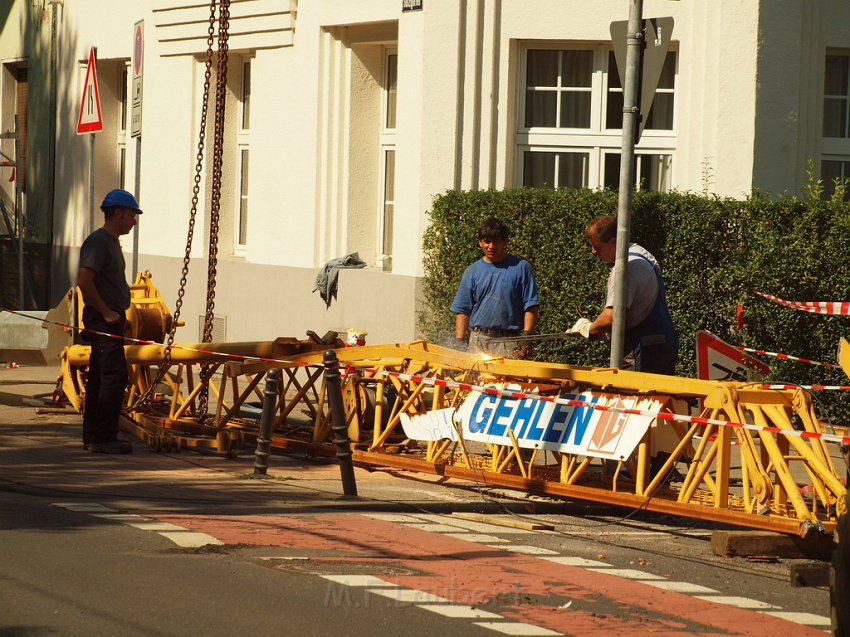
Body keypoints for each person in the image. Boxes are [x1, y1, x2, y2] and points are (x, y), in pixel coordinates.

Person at [76, 189, 142, 454]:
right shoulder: (99, 243)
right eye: (131, 216)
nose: (133, 222)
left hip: (111, 320)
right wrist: (105, 311)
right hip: (104, 322)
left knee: (101, 378)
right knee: (113, 377)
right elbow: (84, 281)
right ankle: (103, 438)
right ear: (118, 213)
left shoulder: (111, 243)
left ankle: (94, 437)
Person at [568, 214, 677, 375]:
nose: (593, 252)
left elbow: (611, 317)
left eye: (597, 246)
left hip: (640, 350)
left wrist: (588, 329)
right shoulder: (643, 254)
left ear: (613, 241)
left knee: (635, 399)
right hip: (663, 344)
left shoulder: (625, 269)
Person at [450, 217, 539, 357]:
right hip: (477, 341)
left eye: (496, 241)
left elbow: (531, 306)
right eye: (487, 241)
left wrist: (526, 337)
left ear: (505, 242)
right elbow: (462, 309)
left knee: (504, 379)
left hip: (508, 341)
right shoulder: (472, 271)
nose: (491, 246)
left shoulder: (521, 268)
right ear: (480, 243)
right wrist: (459, 340)